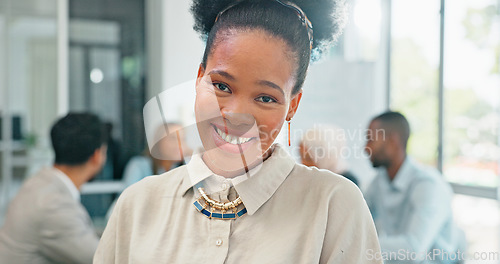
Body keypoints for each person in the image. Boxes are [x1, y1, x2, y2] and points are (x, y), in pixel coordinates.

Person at [95, 1, 382, 263]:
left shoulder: (334, 205)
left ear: (292, 105)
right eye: (221, 86)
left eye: (266, 98)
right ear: (199, 78)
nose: (235, 114)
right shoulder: (138, 205)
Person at [0, 113, 107, 264]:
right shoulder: (53, 204)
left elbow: (80, 231)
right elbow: (103, 259)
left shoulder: (39, 183)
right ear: (97, 155)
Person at [364, 111, 462, 263]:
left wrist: (359, 245)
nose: (366, 148)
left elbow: (412, 250)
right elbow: (358, 217)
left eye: (370, 140)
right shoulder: (379, 181)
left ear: (392, 141)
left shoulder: (428, 185)